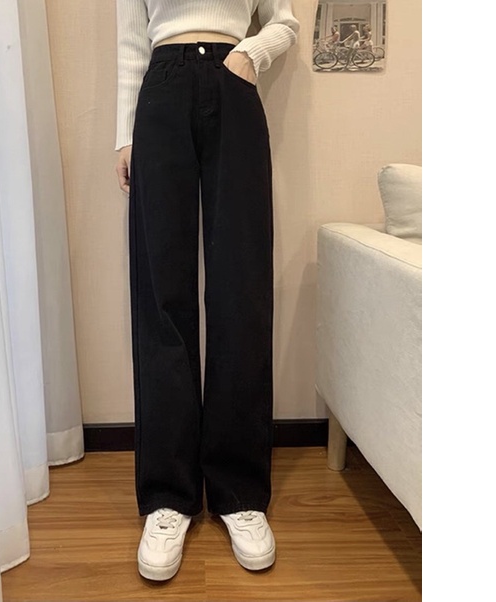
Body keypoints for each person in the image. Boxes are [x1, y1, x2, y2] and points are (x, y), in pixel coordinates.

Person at [114, 0, 300, 582]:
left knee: (241, 288)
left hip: (234, 83)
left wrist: (249, 55)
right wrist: (123, 136)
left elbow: (285, 21)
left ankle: (238, 492)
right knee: (161, 294)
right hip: (161, 90)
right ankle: (168, 497)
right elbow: (130, 40)